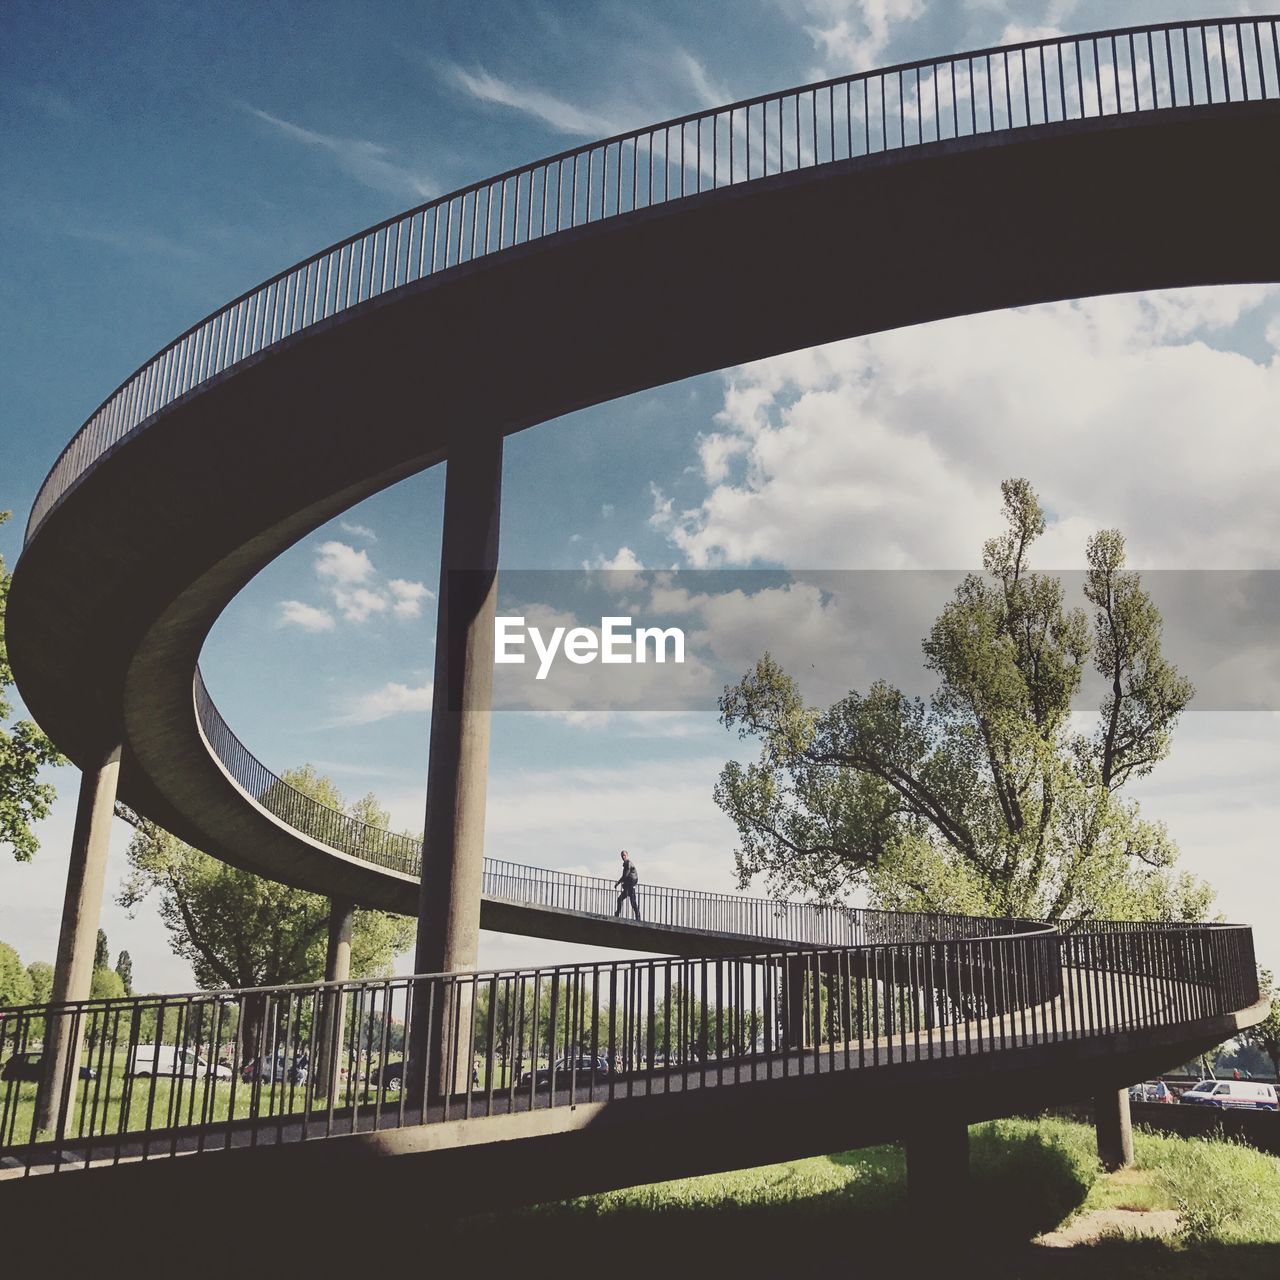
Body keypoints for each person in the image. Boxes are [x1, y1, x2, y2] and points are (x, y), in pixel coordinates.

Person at [614, 849, 641, 920]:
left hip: (631, 885)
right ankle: (617, 913)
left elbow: (625, 875)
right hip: (629, 885)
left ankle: (638, 917)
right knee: (620, 899)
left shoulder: (628, 863)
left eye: (624, 855)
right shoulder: (626, 864)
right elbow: (625, 875)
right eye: (622, 855)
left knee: (633, 902)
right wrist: (619, 883)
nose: (623, 857)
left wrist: (619, 883)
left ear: (627, 855)